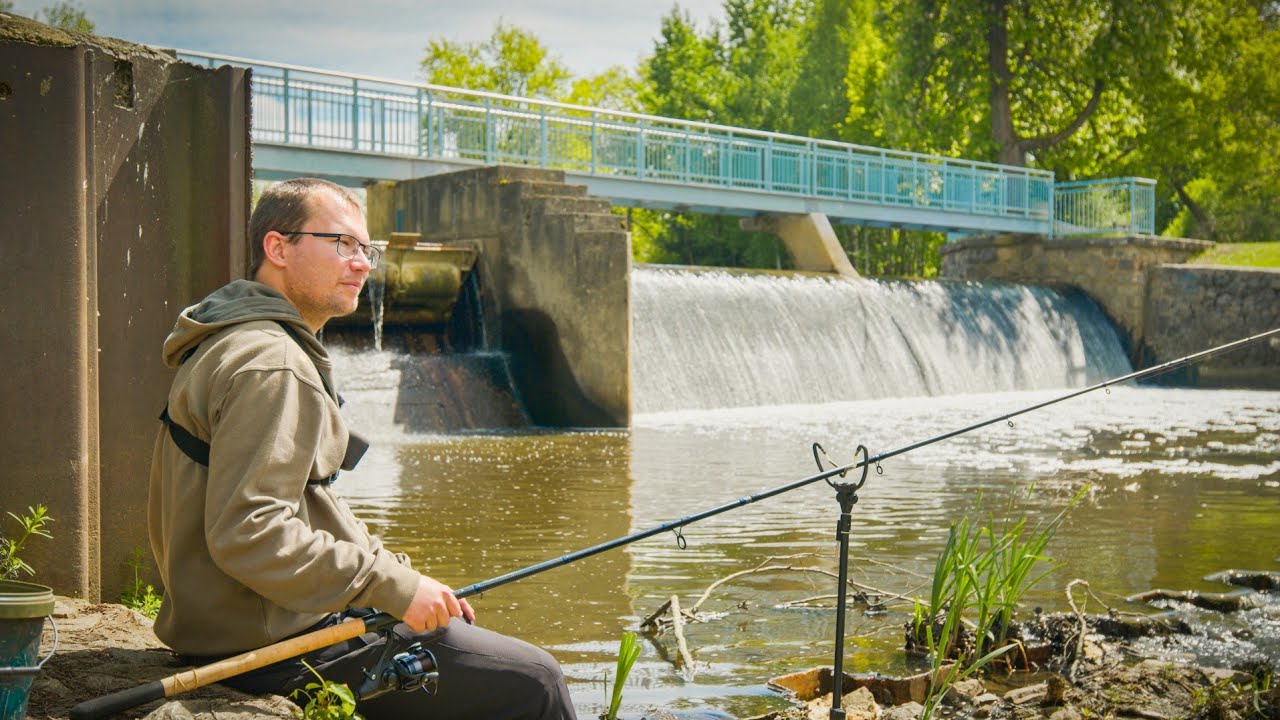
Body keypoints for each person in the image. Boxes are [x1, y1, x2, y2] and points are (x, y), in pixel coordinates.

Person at [148, 177, 577, 719]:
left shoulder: (241, 339)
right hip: (272, 645)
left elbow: (306, 504)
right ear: (277, 247)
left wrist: (401, 579)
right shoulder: (273, 364)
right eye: (342, 243)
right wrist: (387, 584)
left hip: (244, 620)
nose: (362, 263)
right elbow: (250, 532)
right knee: (535, 680)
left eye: (366, 249)